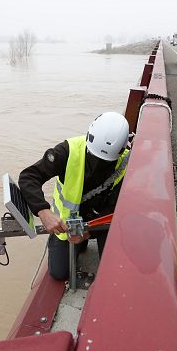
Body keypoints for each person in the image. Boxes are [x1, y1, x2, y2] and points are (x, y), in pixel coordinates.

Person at [19, 112, 130, 280]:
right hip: (65, 224)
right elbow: (29, 177)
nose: (99, 163)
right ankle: (78, 244)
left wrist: (89, 232)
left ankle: (85, 241)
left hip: (100, 221)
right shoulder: (67, 151)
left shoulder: (125, 162)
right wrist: (44, 212)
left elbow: (117, 203)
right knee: (59, 273)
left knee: (114, 267)